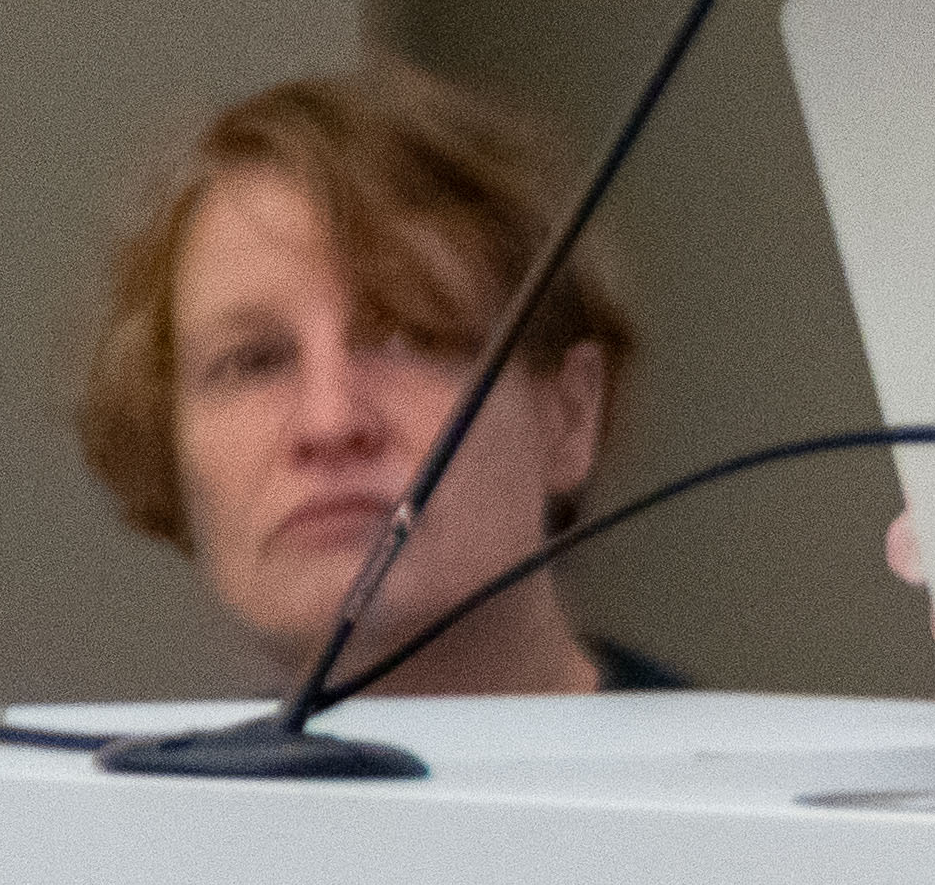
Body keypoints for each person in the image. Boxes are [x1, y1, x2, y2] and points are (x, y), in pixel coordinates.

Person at [76, 65, 687, 697]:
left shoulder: (734, 763)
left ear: (568, 416)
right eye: (254, 361)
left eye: (410, 337)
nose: (330, 422)